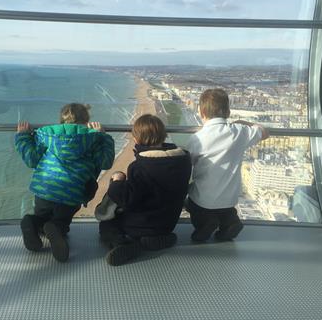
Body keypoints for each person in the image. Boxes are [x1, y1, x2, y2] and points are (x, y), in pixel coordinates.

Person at [15, 103, 115, 262]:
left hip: (45, 189)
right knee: (61, 221)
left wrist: (23, 137)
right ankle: (57, 227)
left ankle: (33, 222)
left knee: (41, 215)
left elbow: (32, 159)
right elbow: (105, 162)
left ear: (61, 120)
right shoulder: (93, 138)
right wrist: (103, 137)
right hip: (72, 191)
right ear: (87, 120)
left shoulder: (46, 136)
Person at [97, 114, 192, 266]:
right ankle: (160, 238)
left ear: (136, 140)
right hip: (168, 223)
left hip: (141, 225)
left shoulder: (140, 167)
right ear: (164, 136)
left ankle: (125, 245)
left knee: (107, 225)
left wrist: (117, 181)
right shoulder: (184, 161)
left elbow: (127, 200)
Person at [186, 88, 269, 242]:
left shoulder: (198, 138)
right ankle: (230, 223)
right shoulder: (239, 132)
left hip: (203, 199)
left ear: (202, 113)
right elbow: (264, 132)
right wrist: (243, 123)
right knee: (226, 211)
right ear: (228, 112)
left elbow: (188, 163)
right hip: (229, 199)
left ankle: (204, 225)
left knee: (191, 201)